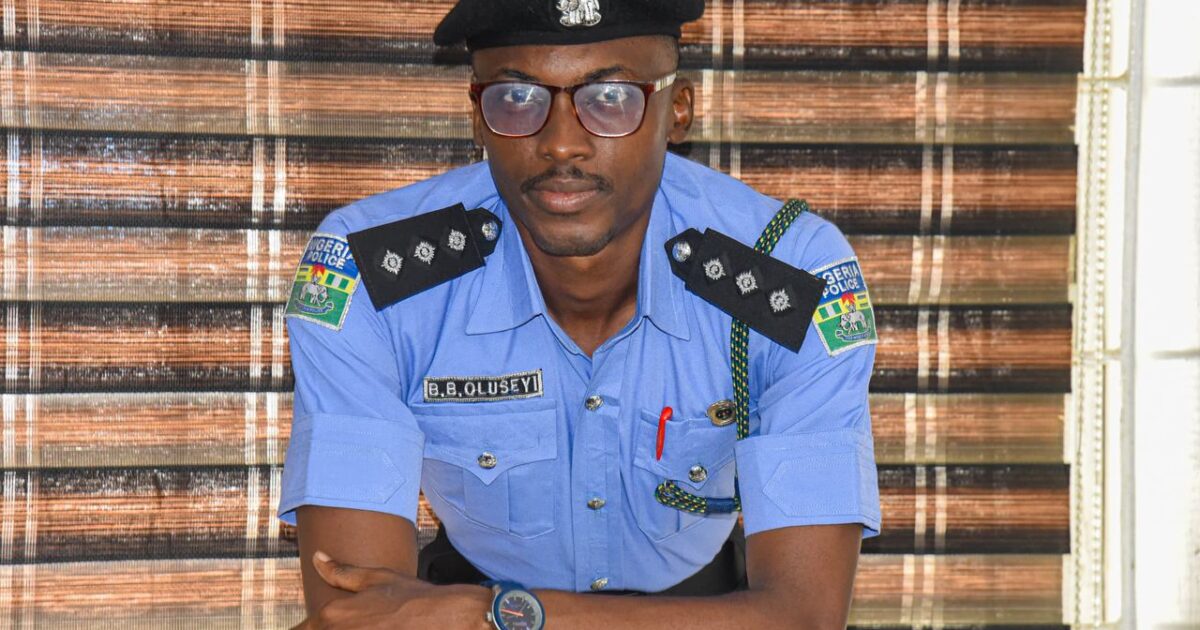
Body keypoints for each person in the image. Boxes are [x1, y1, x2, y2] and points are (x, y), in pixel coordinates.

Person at [278, 0, 881, 627]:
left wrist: (503, 616)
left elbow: (804, 616)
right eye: (516, 98)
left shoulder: (791, 276)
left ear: (678, 111)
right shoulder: (369, 273)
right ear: (477, 116)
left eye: (611, 97)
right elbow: (358, 613)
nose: (561, 144)